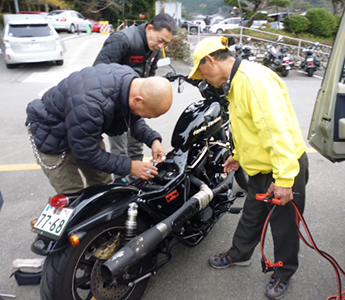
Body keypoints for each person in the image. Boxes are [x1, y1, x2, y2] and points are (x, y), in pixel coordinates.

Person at [188, 36, 309, 300]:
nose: (203, 79)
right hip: (261, 169)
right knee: (252, 213)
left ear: (211, 60)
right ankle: (239, 254)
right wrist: (239, 156)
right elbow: (248, 129)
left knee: (283, 224)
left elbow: (276, 133)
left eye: (202, 72)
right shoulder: (237, 81)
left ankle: (284, 271)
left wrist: (285, 180)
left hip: (283, 168)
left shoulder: (254, 81)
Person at [26, 63, 173, 194]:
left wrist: (153, 140)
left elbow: (131, 119)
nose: (148, 118)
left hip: (83, 131)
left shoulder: (131, 83)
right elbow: (86, 153)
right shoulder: (90, 105)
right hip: (51, 135)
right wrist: (129, 166)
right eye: (150, 115)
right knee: (73, 196)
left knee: (103, 185)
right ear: (138, 100)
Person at [93, 13, 177, 170]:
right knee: (120, 148)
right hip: (115, 105)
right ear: (150, 28)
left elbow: (150, 76)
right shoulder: (122, 40)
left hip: (138, 103)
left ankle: (136, 182)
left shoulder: (155, 49)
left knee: (136, 146)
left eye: (166, 44)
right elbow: (97, 74)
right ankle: (122, 185)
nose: (161, 46)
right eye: (161, 40)